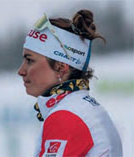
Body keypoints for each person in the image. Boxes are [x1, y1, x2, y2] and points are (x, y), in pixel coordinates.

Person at [17, 10, 123, 156]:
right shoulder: (80, 107)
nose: (21, 71)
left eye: (30, 60)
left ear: (60, 67)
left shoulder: (66, 116)